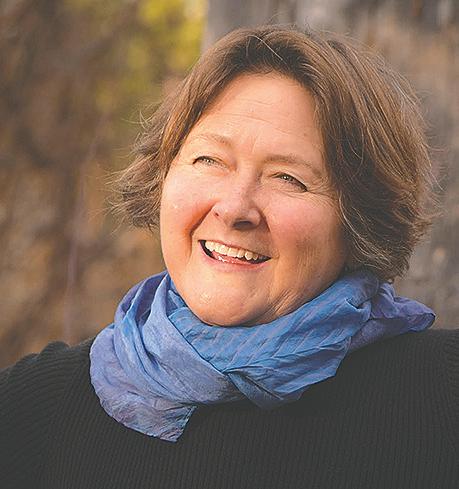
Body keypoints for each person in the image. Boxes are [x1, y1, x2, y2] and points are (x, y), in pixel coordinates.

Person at [1, 25, 458, 489]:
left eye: (288, 179)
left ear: (360, 218)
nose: (235, 208)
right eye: (209, 160)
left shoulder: (443, 398)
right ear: (163, 176)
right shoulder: (34, 409)